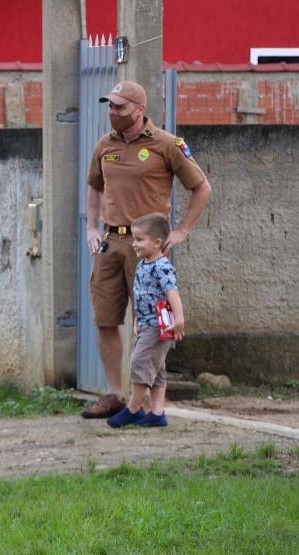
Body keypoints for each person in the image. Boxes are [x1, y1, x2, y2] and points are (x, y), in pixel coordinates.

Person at [80, 80, 211, 419]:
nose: (113, 113)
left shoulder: (167, 144)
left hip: (148, 249)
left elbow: (201, 188)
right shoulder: (104, 145)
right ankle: (114, 395)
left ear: (139, 110)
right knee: (105, 319)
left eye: (120, 108)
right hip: (110, 242)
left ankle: (149, 406)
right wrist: (91, 226)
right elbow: (94, 187)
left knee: (150, 324)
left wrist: (182, 231)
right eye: (110, 106)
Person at [107, 213, 183, 427]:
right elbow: (140, 297)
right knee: (157, 369)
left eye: (139, 239)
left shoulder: (162, 266)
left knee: (139, 362)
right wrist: (135, 324)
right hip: (146, 324)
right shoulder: (143, 265)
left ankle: (133, 408)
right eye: (134, 238)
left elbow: (172, 292)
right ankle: (158, 413)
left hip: (159, 325)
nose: (134, 244)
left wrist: (179, 319)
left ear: (157, 242)